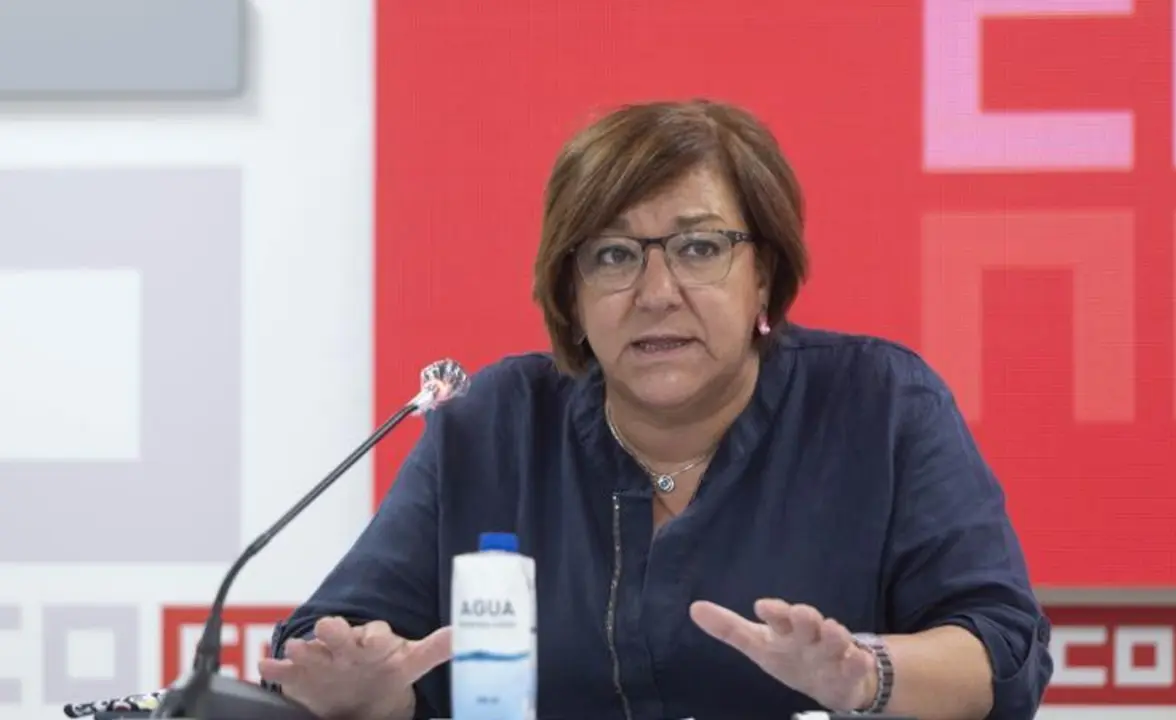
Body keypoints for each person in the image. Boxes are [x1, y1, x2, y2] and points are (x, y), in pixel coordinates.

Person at [262, 99, 1054, 720]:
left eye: (699, 248)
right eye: (613, 256)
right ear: (571, 295)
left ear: (764, 277)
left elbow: (1002, 650)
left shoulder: (880, 406)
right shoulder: (494, 424)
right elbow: (333, 646)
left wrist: (868, 674)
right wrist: (366, 693)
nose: (656, 293)